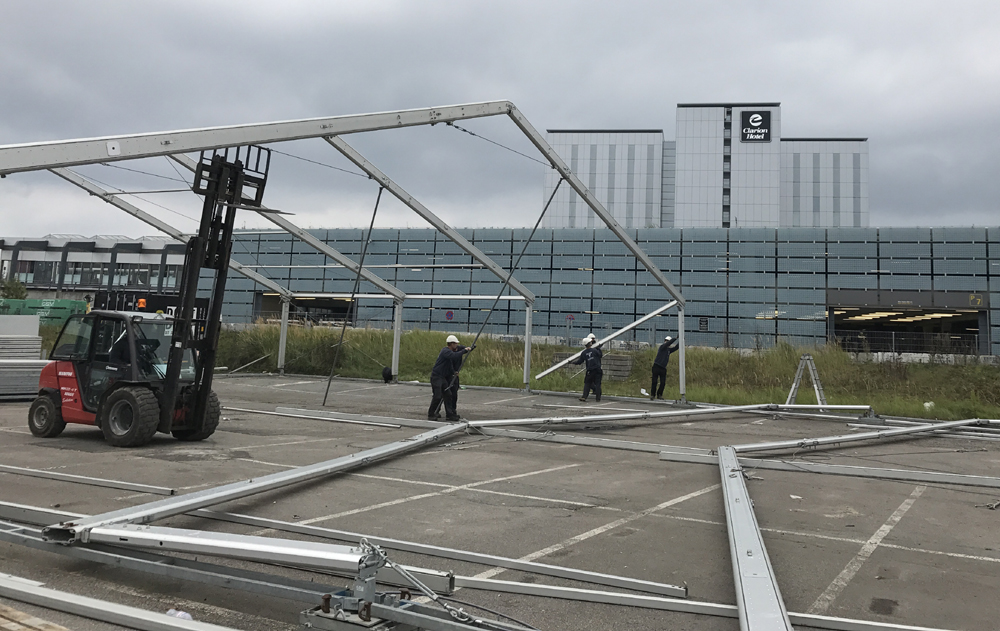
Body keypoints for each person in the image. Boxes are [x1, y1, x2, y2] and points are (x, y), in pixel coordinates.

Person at [428, 334, 474, 421]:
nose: (457, 345)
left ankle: (450, 414)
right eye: (455, 343)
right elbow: (455, 356)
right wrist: (464, 350)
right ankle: (431, 414)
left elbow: (449, 365)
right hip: (436, 376)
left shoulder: (451, 353)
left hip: (443, 377)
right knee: (437, 396)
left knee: (448, 394)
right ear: (451, 344)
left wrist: (454, 372)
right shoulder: (445, 351)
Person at [571, 333, 603, 403]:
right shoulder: (595, 350)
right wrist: (598, 348)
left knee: (587, 383)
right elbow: (600, 355)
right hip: (597, 369)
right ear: (590, 343)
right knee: (598, 384)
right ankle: (598, 398)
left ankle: (584, 396)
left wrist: (572, 362)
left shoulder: (584, 353)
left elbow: (580, 361)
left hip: (590, 370)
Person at [650, 335, 679, 400]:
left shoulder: (668, 350)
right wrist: (676, 338)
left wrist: (681, 341)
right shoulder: (662, 347)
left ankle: (659, 395)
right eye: (666, 341)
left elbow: (676, 348)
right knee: (654, 382)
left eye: (667, 341)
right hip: (656, 366)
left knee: (663, 383)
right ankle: (652, 395)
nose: (667, 342)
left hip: (663, 368)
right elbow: (668, 344)